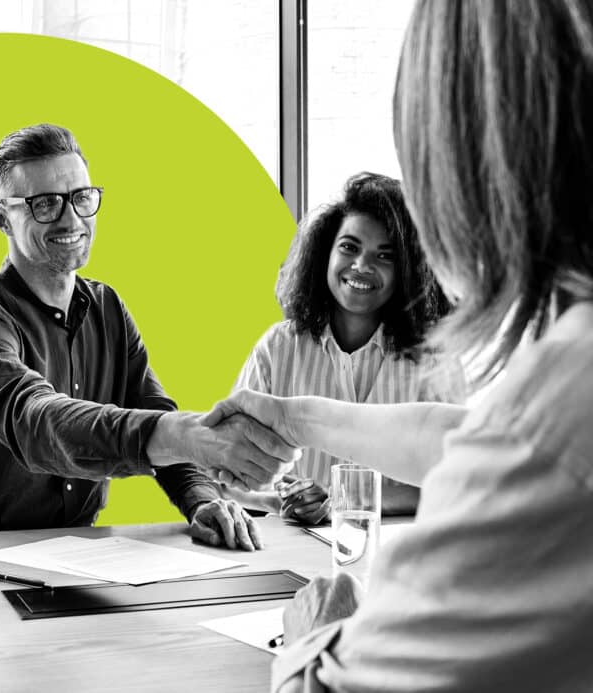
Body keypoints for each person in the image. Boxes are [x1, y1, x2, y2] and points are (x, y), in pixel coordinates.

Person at [206, 0, 593, 689]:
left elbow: (333, 685)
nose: (362, 267)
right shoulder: (561, 374)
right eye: (350, 247)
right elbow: (460, 438)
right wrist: (294, 417)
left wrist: (315, 631)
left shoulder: (563, 388)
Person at [0, 124, 297, 550]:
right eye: (44, 203)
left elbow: (154, 409)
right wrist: (185, 435)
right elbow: (38, 423)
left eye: (81, 198)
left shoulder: (107, 308)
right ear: (1, 218)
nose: (71, 219)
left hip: (84, 552)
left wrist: (202, 500)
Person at [225, 172, 464, 524]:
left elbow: (457, 480)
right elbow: (229, 471)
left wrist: (342, 497)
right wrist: (284, 501)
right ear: (325, 253)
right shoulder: (278, 348)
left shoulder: (434, 359)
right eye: (349, 247)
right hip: (293, 554)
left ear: (408, 271)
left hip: (392, 558)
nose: (362, 266)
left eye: (385, 256)